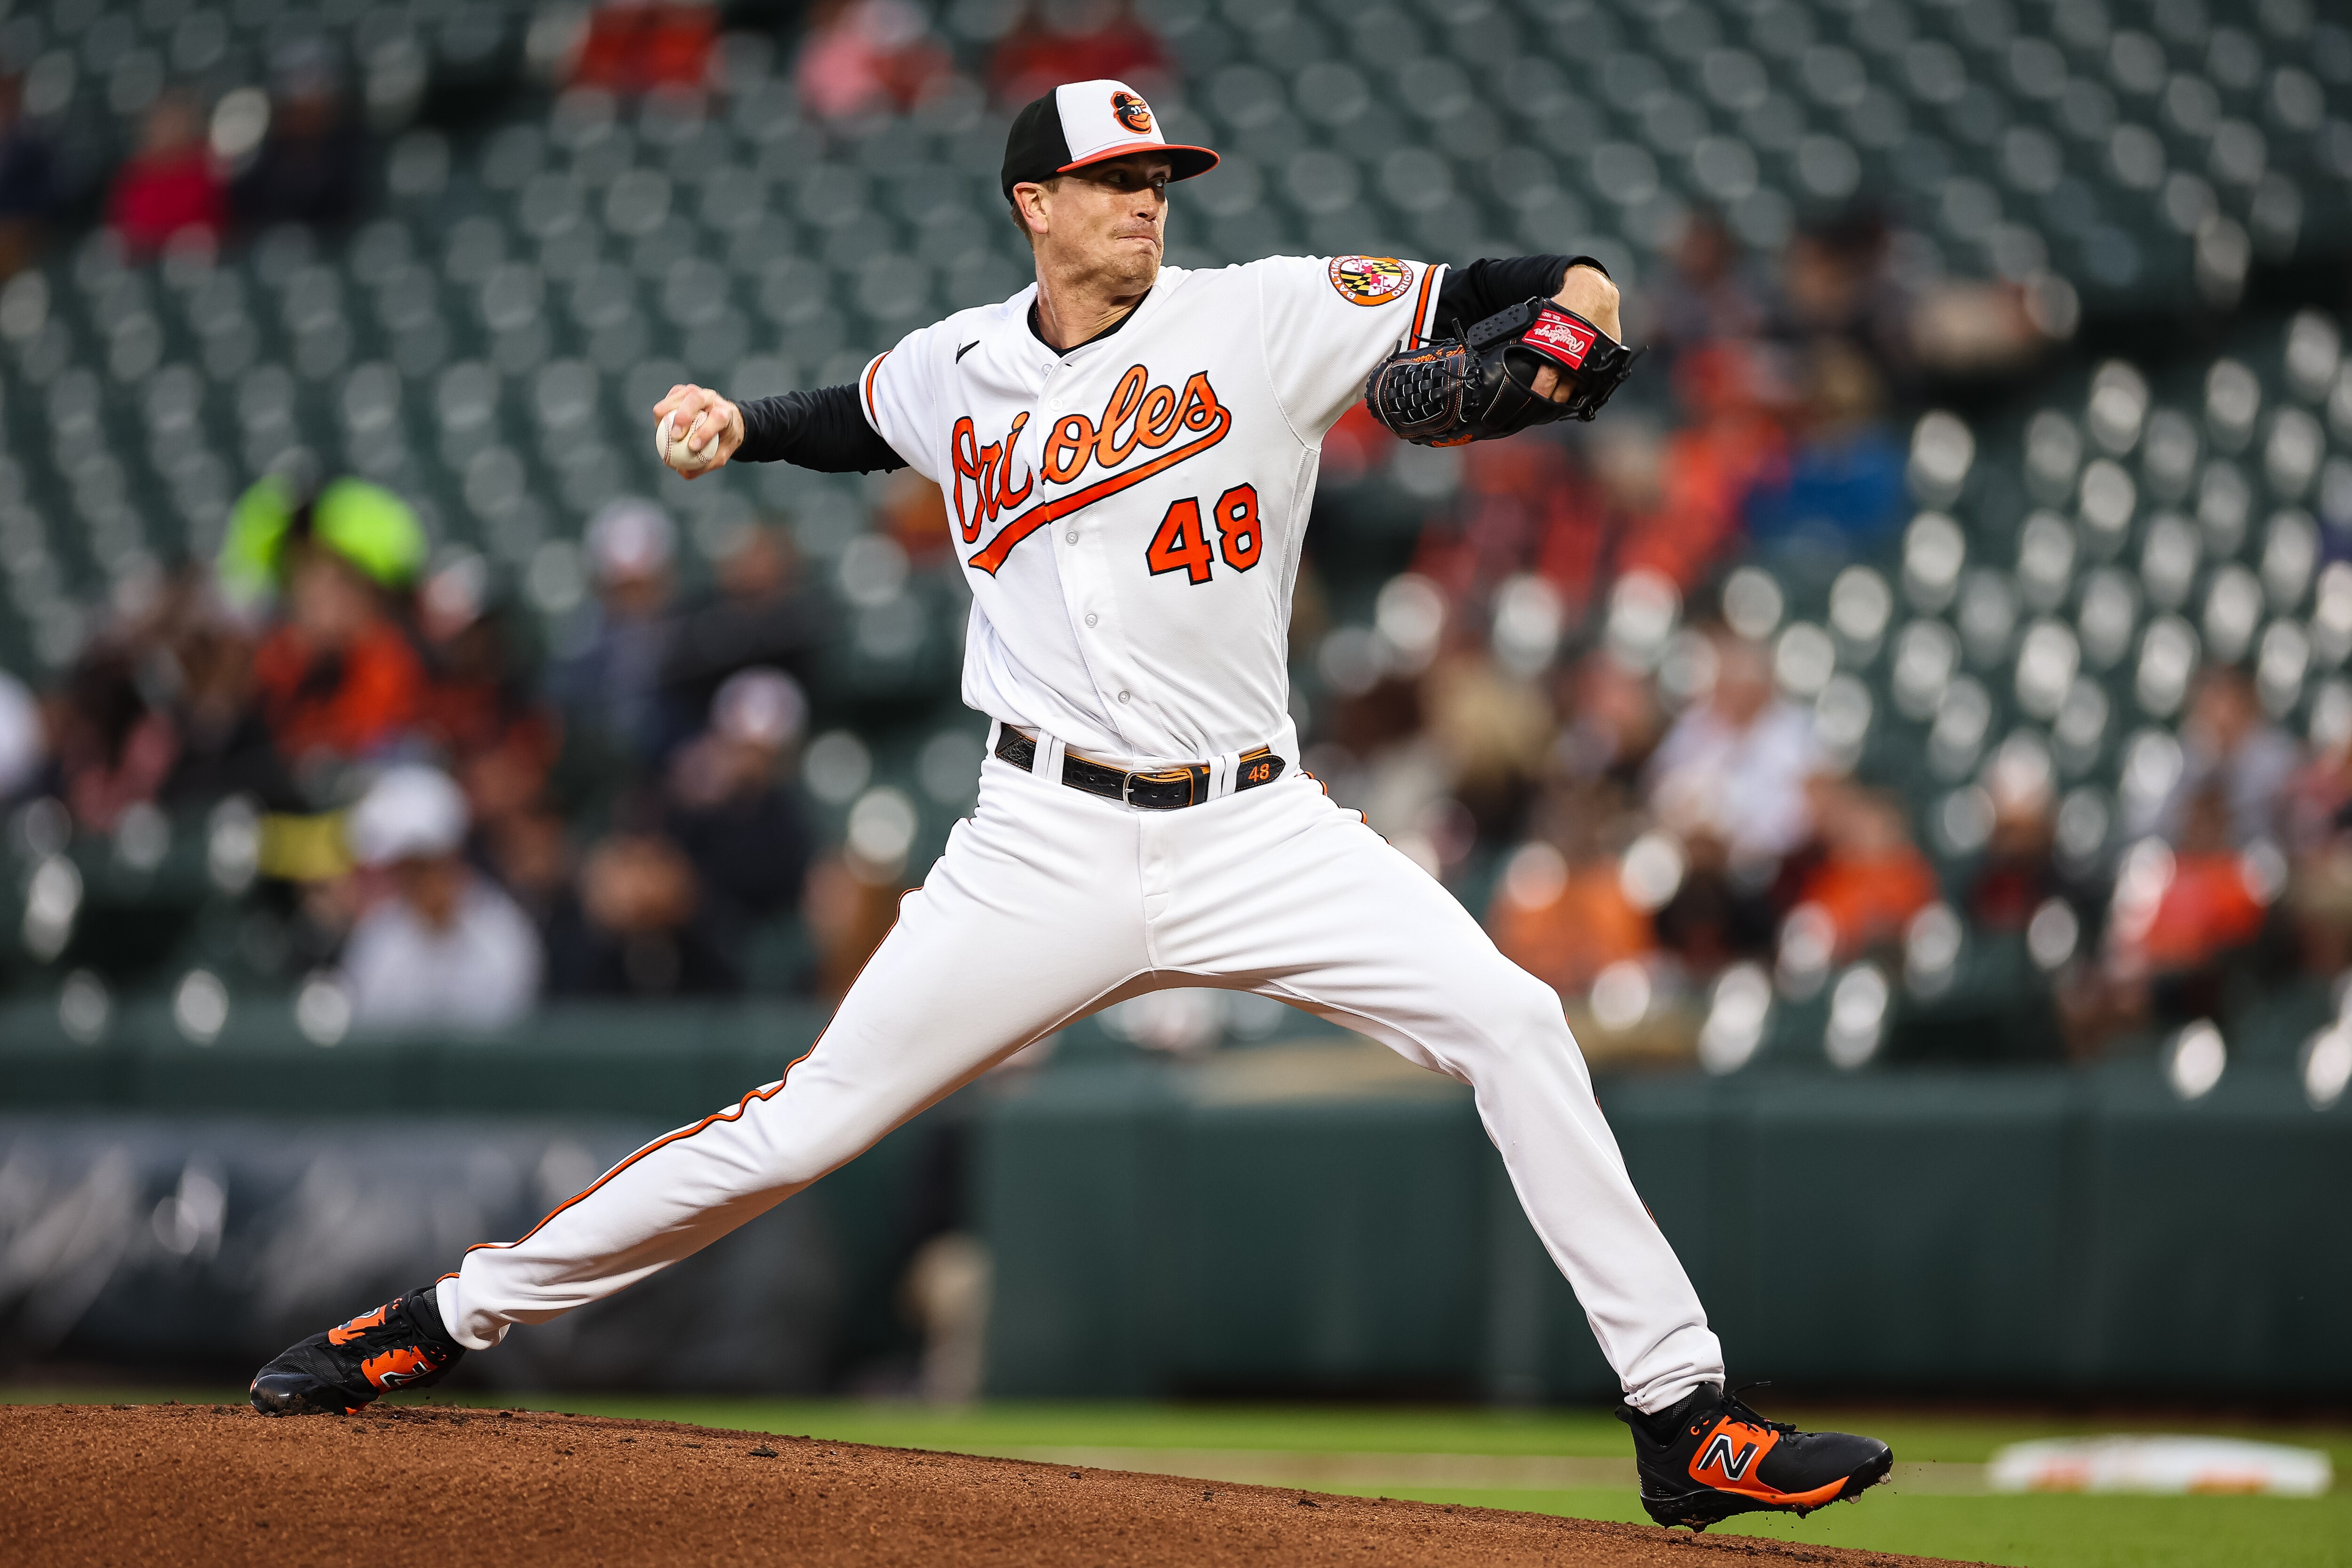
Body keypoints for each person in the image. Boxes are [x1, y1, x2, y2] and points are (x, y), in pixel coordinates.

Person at [250, 79, 1890, 1533]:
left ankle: (1684, 1422)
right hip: (1042, 843)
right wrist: (743, 426)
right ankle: (443, 1320)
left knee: (1518, 1022)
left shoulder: (1266, 314)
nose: (1145, 201)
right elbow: (858, 418)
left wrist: (1581, 319)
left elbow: (1526, 280)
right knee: (804, 1127)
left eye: (1159, 179)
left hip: (1260, 828)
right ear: (1034, 205)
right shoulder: (960, 364)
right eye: (1114, 181)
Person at [338, 764, 542, 1033]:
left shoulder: (505, 938)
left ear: (448, 858)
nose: (411, 880)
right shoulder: (377, 939)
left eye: (418, 866)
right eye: (402, 868)